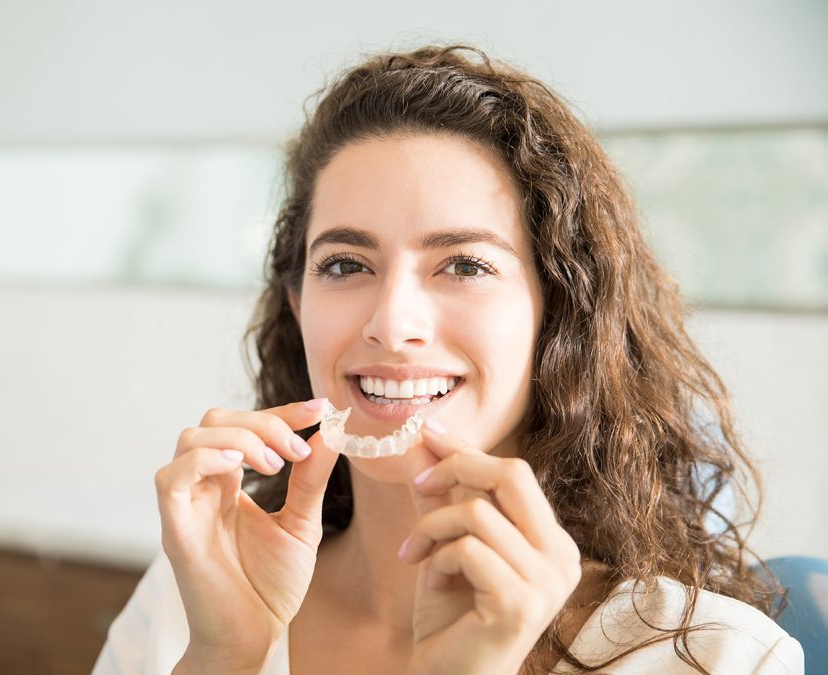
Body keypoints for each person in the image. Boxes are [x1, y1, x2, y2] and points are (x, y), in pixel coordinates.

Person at [93, 44, 803, 674]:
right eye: (345, 264)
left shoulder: (717, 656)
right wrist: (223, 661)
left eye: (462, 264)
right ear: (296, 301)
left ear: (559, 312)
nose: (392, 324)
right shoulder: (193, 596)